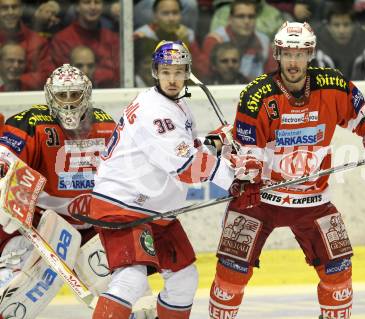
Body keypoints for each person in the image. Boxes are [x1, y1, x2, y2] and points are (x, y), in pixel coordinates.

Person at [205, 21, 365, 319]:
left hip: (313, 200)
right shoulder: (256, 95)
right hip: (260, 199)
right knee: (230, 274)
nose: (293, 61)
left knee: (339, 274)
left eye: (300, 54)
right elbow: (249, 149)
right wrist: (246, 178)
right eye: (287, 54)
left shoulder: (334, 86)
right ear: (278, 54)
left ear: (310, 54)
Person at [89, 40, 263, 319]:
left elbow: (192, 149)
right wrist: (235, 177)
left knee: (184, 279)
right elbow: (187, 168)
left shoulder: (176, 104)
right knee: (132, 279)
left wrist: (218, 142)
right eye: (166, 71)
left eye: (179, 71)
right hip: (124, 205)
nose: (172, 78)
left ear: (187, 73)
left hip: (156, 209)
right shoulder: (154, 111)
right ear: (156, 71)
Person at [0, 64, 116, 318]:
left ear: (86, 94)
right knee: (11, 289)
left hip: (92, 227)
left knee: (126, 293)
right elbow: (5, 164)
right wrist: (5, 189)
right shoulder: (30, 123)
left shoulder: (107, 125)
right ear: (50, 96)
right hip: (43, 225)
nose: (69, 103)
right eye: (62, 95)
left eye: (74, 94)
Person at [50, 0, 120, 88]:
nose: (93, 7)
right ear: (77, 7)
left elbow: (119, 76)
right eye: (87, 2)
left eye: (97, 2)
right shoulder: (62, 39)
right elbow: (63, 79)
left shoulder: (112, 39)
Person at [203, 0, 277, 81]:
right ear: (230, 19)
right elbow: (206, 76)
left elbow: (272, 77)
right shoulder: (215, 40)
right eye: (241, 16)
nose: (247, 21)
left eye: (251, 17)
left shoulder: (264, 41)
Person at [134, 0, 206, 78]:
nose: (171, 18)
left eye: (175, 13)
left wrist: (186, 45)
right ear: (155, 16)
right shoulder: (142, 35)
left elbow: (201, 71)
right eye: (165, 13)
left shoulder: (187, 34)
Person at [314, 2, 365, 80]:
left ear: (354, 26)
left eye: (346, 24)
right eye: (336, 25)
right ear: (328, 27)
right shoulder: (314, 50)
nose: (341, 31)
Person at [0, 0, 52, 90]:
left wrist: (14, 81)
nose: (10, 12)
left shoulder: (38, 42)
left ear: (21, 10)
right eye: (4, 8)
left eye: (14, 7)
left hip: (28, 97)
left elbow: (47, 75)